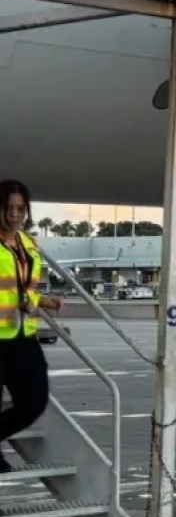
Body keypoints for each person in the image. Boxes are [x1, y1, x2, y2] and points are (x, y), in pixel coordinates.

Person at [0, 180, 61, 473]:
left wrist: (42, 300)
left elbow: (20, 288)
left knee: (35, 400)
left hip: (22, 334)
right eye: (8, 207)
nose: (14, 214)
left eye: (20, 208)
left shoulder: (28, 244)